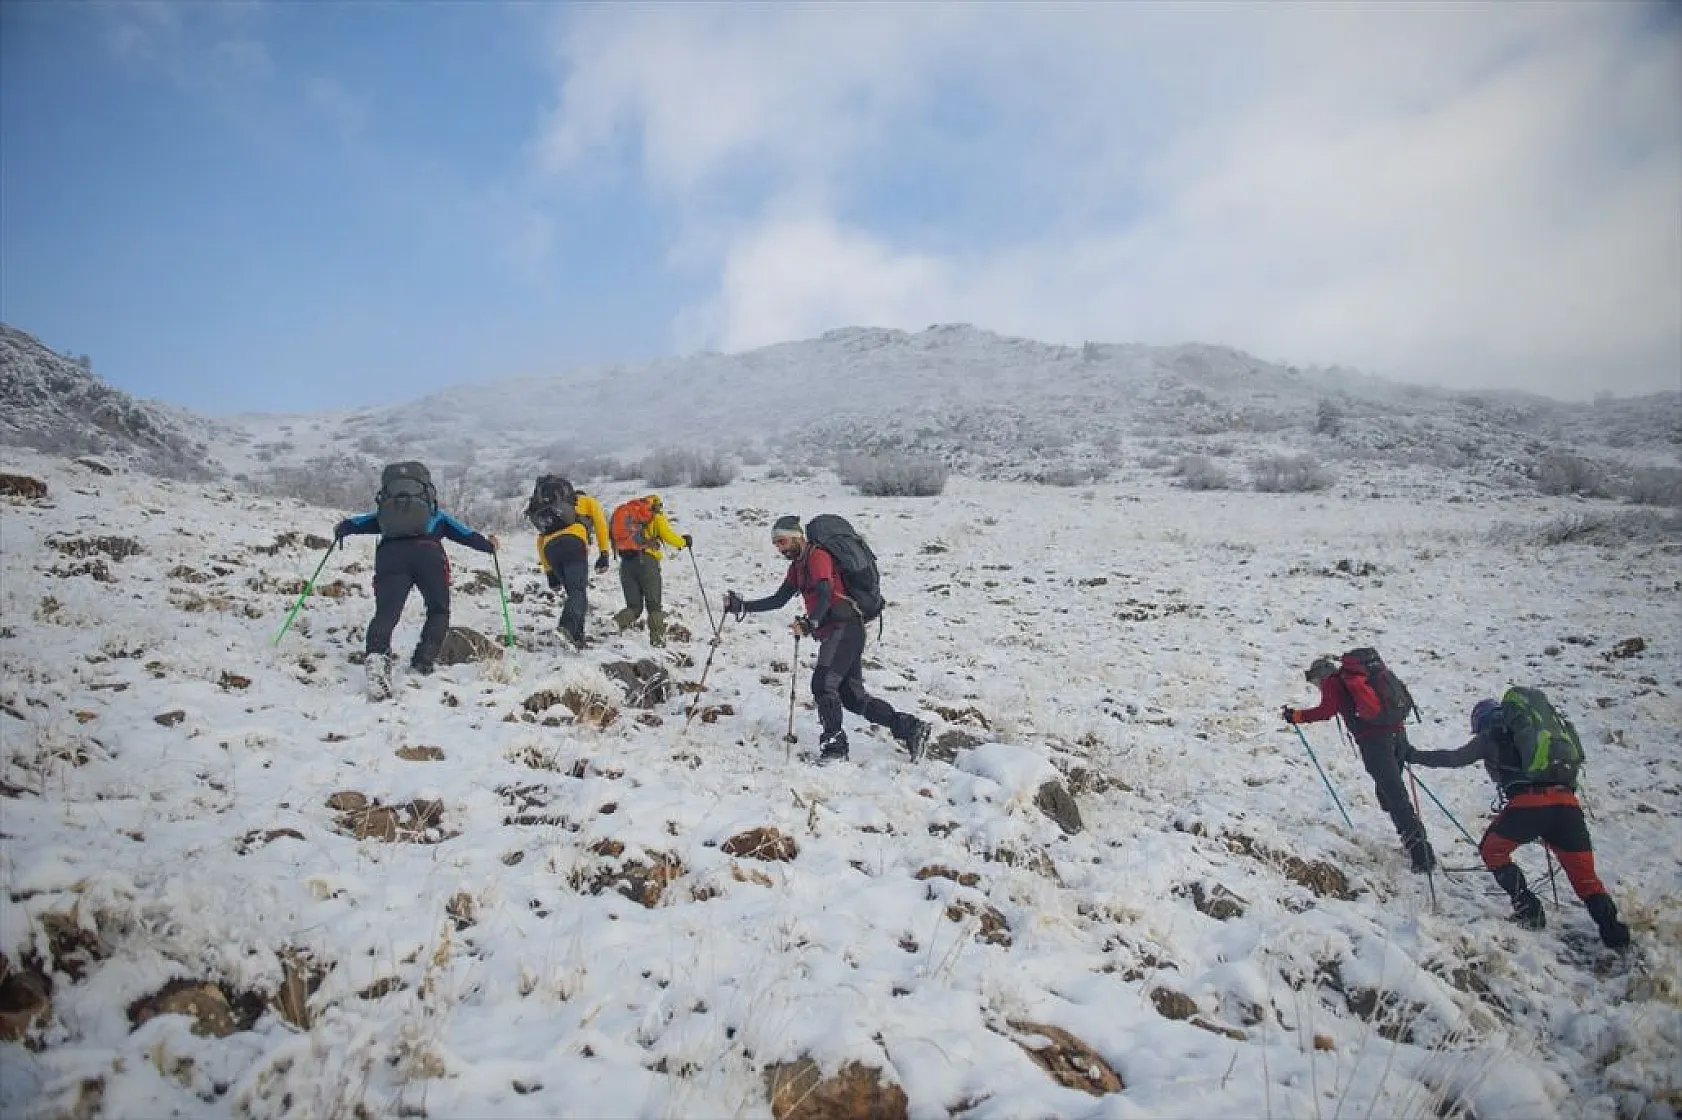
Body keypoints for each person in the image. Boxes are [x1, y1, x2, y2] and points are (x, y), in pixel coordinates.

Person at [1405, 699, 1630, 948]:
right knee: (1585, 878)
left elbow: (1454, 758)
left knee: (1492, 850)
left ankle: (1528, 908)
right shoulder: (1538, 736)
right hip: (1568, 807)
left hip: (1528, 806)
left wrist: (1412, 755)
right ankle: (1615, 936)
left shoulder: (1491, 735)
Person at [723, 515, 930, 764]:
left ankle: (835, 748)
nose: (780, 548)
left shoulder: (818, 557)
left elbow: (824, 593)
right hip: (839, 631)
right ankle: (910, 727)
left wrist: (811, 623)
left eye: (783, 541)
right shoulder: (796, 568)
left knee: (823, 684)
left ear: (798, 537)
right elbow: (777, 600)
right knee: (853, 697)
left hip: (844, 629)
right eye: (776, 544)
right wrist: (741, 606)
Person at [333, 478, 497, 698]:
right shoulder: (435, 515)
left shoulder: (387, 516)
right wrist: (489, 546)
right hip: (429, 556)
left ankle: (376, 656)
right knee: (438, 609)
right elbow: (466, 535)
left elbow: (355, 524)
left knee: (386, 613)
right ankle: (423, 662)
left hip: (390, 557)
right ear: (427, 494)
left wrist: (341, 529)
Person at [1284, 653, 1436, 872]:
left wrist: (1296, 716)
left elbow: (1326, 711)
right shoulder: (1363, 679)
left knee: (1394, 796)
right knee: (1389, 794)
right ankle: (1412, 842)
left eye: (1317, 682)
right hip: (1397, 736)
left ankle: (1422, 855)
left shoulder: (1334, 682)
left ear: (1321, 676)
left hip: (1375, 743)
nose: (1319, 687)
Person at [608, 493, 691, 647]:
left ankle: (611, 627)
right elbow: (668, 536)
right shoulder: (655, 517)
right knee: (654, 606)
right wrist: (684, 542)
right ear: (656, 505)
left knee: (634, 607)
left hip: (626, 563)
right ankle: (658, 642)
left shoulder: (628, 517)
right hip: (647, 562)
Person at [535, 482, 610, 649]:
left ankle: (577, 639)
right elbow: (600, 523)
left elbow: (540, 540)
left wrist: (549, 573)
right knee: (577, 591)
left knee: (575, 593)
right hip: (573, 544)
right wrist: (604, 553)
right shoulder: (587, 501)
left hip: (550, 550)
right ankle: (566, 628)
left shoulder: (552, 510)